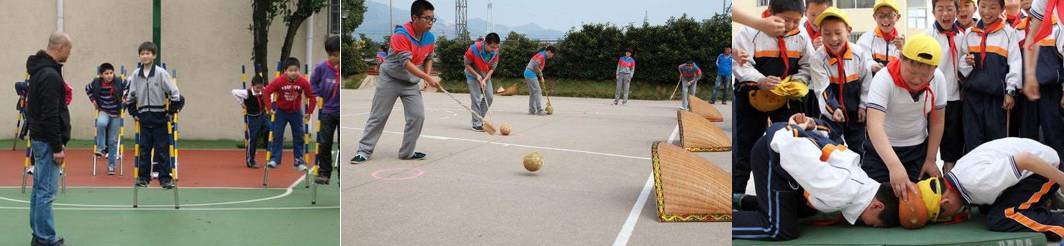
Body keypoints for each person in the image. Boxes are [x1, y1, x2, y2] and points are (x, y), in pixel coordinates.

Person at [733, 114, 899, 241]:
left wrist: (811, 127)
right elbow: (796, 150)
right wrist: (793, 131)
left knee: (802, 210)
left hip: (789, 145)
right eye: (874, 223)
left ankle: (742, 201)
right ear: (877, 206)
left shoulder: (861, 180)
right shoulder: (838, 190)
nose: (869, 225)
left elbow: (832, 141)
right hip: (775, 150)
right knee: (778, 229)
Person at [732, 0, 816, 195]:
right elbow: (740, 66)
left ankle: (789, 196)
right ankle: (737, 197)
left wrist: (795, 82)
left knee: (789, 145)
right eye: (786, 20)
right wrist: (760, 80)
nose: (791, 26)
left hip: (786, 99)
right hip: (752, 96)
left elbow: (807, 65)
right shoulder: (749, 32)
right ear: (770, 12)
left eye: (797, 21)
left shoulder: (801, 36)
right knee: (746, 148)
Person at [351, 0, 440, 164]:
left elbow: (428, 58)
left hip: (410, 83)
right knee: (378, 116)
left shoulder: (430, 37)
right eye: (427, 18)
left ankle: (407, 152)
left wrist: (426, 76)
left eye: (432, 19)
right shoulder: (400, 35)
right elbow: (406, 63)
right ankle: (363, 151)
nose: (430, 22)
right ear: (415, 18)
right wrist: (427, 78)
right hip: (390, 80)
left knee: (417, 116)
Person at [863, 34, 947, 201]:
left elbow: (937, 122)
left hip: (916, 151)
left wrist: (930, 159)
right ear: (901, 58)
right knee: (884, 207)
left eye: (924, 76)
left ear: (935, 68)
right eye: (912, 72)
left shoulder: (938, 78)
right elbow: (874, 126)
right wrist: (894, 167)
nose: (917, 80)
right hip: (881, 153)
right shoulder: (883, 79)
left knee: (921, 204)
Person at [929, 138, 1064, 240]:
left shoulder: (978, 182)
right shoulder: (958, 173)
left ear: (945, 203)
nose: (948, 217)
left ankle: (1059, 223)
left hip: (1045, 169)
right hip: (1033, 163)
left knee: (1000, 218)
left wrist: (1061, 179)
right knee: (986, 209)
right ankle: (1038, 205)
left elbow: (1026, 160)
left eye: (944, 214)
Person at [957, 0, 1022, 152]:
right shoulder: (969, 33)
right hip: (972, 98)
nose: (987, 11)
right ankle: (975, 175)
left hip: (997, 99)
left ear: (1002, 9)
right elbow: (961, 68)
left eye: (993, 7)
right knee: (973, 141)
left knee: (996, 143)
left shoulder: (1008, 33)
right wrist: (966, 62)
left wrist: (1010, 91)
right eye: (983, 6)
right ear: (977, 7)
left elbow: (1015, 64)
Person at [26, 31, 71, 246]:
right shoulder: (50, 76)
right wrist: (57, 146)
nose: (69, 54)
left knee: (38, 189)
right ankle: (45, 238)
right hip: (47, 141)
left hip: (39, 138)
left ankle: (39, 233)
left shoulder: (38, 71)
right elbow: (50, 113)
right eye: (69, 50)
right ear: (61, 47)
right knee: (45, 191)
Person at [814, 7, 873, 156]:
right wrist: (834, 109)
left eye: (838, 33)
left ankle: (860, 176)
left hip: (856, 112)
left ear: (849, 30)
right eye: (827, 34)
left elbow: (866, 82)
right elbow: (822, 89)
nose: (833, 39)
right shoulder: (817, 59)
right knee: (833, 149)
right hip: (831, 114)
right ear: (820, 34)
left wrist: (863, 106)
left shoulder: (858, 53)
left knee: (859, 148)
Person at [126, 41, 182, 189]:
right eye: (142, 53)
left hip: (159, 116)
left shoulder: (161, 73)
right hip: (144, 116)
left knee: (162, 149)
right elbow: (130, 97)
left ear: (154, 55)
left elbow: (174, 93)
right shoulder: (135, 75)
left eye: (148, 53)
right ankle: (143, 178)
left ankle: (165, 178)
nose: (145, 56)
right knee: (144, 149)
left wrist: (171, 111)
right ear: (139, 56)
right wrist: (134, 112)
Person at [928, 0, 967, 173]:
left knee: (952, 143)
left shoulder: (962, 36)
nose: (945, 14)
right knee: (928, 141)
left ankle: (949, 180)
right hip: (931, 99)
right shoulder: (927, 36)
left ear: (957, 11)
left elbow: (963, 66)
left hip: (954, 98)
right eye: (940, 9)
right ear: (933, 11)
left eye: (950, 9)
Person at [263, 57, 317, 171]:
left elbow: (311, 96)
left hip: (296, 112)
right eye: (291, 70)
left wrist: (310, 111)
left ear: (299, 70)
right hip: (281, 112)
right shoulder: (280, 81)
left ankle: (298, 160)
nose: (293, 73)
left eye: (296, 70)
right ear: (285, 71)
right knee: (277, 134)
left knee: (299, 136)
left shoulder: (303, 81)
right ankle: (275, 159)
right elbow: (266, 91)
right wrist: (269, 108)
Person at [85, 62, 127, 175]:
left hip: (116, 113)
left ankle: (111, 165)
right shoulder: (96, 83)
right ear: (101, 75)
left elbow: (130, 87)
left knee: (113, 141)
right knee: (101, 123)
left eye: (111, 73)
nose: (109, 75)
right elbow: (87, 89)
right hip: (104, 110)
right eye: (106, 73)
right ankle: (101, 148)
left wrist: (125, 98)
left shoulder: (119, 81)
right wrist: (93, 100)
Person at [311, 36, 342, 184]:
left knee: (342, 143)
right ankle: (324, 173)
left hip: (342, 112)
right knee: (324, 143)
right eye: (330, 55)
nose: (332, 58)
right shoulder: (322, 67)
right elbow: (313, 83)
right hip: (327, 111)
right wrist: (316, 95)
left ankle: (342, 174)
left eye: (335, 55)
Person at [464, 32, 501, 130]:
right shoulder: (474, 49)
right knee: (476, 98)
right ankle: (476, 124)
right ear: (486, 43)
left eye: (496, 47)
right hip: (472, 75)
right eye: (492, 47)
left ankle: (479, 119)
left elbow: (492, 68)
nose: (494, 50)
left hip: (485, 75)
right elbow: (466, 64)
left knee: (489, 97)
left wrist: (484, 79)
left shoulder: (496, 51)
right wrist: (477, 76)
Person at [232, 75, 269, 168]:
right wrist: (242, 103)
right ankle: (251, 160)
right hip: (253, 118)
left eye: (261, 87)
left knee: (269, 129)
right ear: (252, 86)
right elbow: (234, 92)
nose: (259, 90)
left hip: (262, 115)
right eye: (257, 88)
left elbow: (270, 95)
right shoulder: (246, 93)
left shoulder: (264, 90)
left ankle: (267, 147)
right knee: (253, 138)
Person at [857, 0, 905, 73]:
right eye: (881, 15)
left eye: (890, 15)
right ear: (874, 17)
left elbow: (906, 69)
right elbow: (860, 61)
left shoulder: (902, 43)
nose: (885, 20)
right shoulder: (866, 39)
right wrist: (872, 65)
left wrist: (902, 50)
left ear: (898, 17)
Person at [524, 46, 554, 115]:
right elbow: (535, 66)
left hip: (528, 73)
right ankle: (539, 110)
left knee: (533, 93)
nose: (552, 56)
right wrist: (541, 74)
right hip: (530, 73)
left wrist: (540, 75)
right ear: (549, 52)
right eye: (552, 54)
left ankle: (531, 110)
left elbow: (536, 66)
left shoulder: (542, 54)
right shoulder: (542, 56)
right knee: (538, 91)